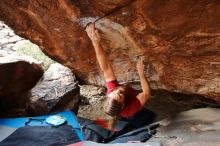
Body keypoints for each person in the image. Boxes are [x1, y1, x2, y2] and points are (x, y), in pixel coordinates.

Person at [86, 23, 151, 129]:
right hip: (130, 112)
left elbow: (106, 68)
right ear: (123, 104)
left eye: (114, 92)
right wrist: (141, 73)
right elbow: (146, 93)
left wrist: (95, 42)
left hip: (121, 107)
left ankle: (115, 120)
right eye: (120, 94)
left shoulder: (112, 91)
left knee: (117, 112)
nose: (118, 90)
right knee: (141, 119)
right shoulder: (130, 108)